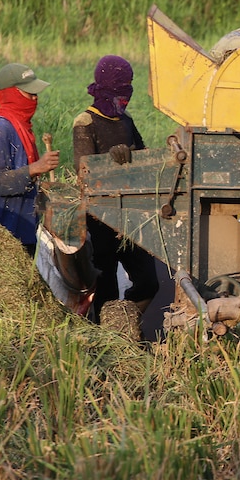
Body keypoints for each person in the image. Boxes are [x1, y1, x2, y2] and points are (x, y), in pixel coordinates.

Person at [72, 55, 159, 323]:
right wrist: (112, 159)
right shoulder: (85, 122)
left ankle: (121, 326)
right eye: (122, 86)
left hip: (130, 217)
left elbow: (141, 155)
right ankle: (109, 341)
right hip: (100, 218)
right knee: (106, 288)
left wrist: (135, 156)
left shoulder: (126, 120)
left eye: (129, 86)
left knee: (148, 282)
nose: (126, 94)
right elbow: (84, 170)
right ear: (107, 85)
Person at [0, 63, 60, 256]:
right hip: (5, 233)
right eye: (29, 93)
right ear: (11, 94)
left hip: (24, 229)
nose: (35, 98)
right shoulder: (1, 130)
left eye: (36, 94)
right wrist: (35, 168)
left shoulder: (23, 128)